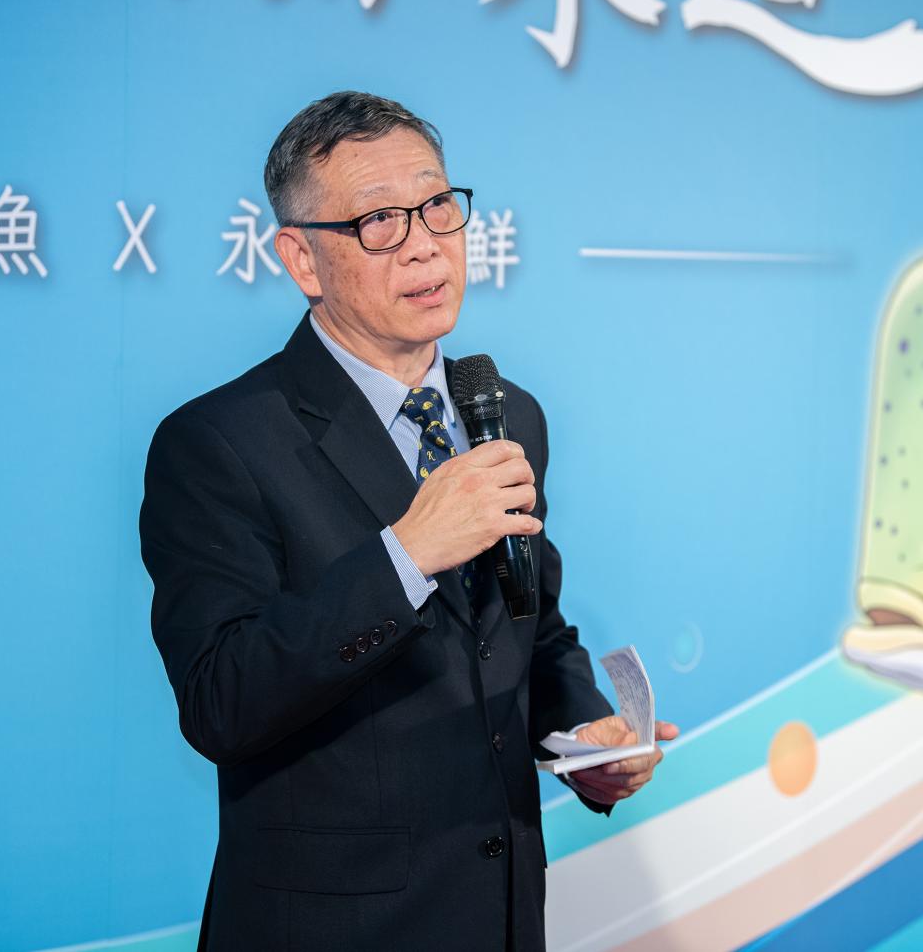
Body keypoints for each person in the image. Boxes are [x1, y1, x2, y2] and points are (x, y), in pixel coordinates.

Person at [140, 91, 678, 951]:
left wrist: (583, 740)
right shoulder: (219, 442)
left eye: (436, 206)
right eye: (379, 221)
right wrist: (407, 554)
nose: (425, 242)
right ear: (303, 259)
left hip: (501, 919)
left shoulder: (506, 413)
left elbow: (527, 631)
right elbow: (222, 700)